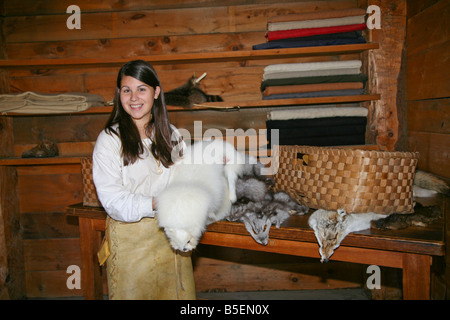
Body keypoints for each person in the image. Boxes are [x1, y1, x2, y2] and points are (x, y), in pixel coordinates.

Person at [92, 60, 196, 299]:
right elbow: (112, 200)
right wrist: (155, 202)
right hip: (131, 245)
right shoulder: (109, 140)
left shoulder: (171, 134)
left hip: (173, 240)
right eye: (126, 90)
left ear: (156, 92)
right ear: (119, 94)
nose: (134, 97)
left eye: (142, 89)